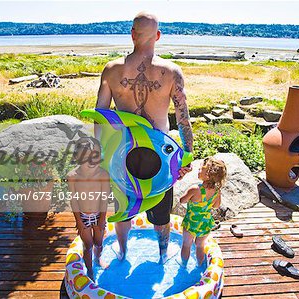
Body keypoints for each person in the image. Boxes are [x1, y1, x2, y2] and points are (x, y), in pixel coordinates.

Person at [95, 12, 193, 263]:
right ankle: (162, 255)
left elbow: (100, 117)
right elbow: (183, 119)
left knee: (124, 208)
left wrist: (101, 156)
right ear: (158, 36)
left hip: (122, 151)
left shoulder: (112, 70)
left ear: (132, 34)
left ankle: (123, 252)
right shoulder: (171, 72)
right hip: (159, 154)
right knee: (161, 210)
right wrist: (187, 156)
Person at [67, 137, 110, 280]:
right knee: (88, 245)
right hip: (83, 216)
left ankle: (98, 260)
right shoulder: (72, 176)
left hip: (99, 215)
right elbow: (74, 200)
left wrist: (102, 219)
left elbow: (104, 199)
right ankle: (90, 270)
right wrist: (79, 221)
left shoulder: (103, 174)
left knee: (99, 242)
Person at [179, 157, 227, 266]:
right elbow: (216, 206)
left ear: (208, 175)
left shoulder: (195, 189)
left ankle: (183, 265)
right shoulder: (216, 192)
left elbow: (182, 200)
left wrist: (189, 198)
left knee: (186, 245)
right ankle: (200, 265)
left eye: (201, 169)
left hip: (191, 222)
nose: (198, 170)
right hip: (205, 223)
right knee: (200, 246)